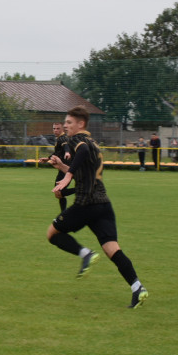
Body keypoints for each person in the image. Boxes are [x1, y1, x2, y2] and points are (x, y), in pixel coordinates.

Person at [48, 106, 149, 309]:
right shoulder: (93, 142)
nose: (65, 126)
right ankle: (137, 287)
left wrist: (67, 177)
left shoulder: (78, 140)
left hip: (86, 203)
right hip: (103, 203)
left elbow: (81, 153)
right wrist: (62, 167)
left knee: (52, 234)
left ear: (80, 124)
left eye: (69, 123)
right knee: (112, 249)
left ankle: (85, 254)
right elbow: (86, 174)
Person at [42, 122, 74, 212]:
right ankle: (63, 214)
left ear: (63, 129)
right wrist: (47, 158)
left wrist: (67, 152)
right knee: (58, 192)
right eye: (54, 128)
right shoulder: (59, 138)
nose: (55, 130)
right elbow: (58, 152)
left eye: (58, 128)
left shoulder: (63, 138)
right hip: (62, 168)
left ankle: (80, 189)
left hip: (66, 168)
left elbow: (65, 146)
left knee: (59, 191)